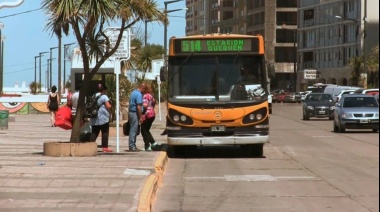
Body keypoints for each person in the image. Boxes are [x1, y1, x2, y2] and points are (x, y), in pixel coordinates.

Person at [89, 83, 113, 153]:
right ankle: (105, 147)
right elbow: (108, 106)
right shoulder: (104, 96)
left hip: (94, 117)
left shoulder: (93, 96)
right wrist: (111, 104)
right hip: (103, 118)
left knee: (94, 132)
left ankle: (90, 145)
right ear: (104, 90)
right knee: (105, 132)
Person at [128, 82, 148, 152]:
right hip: (134, 113)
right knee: (133, 130)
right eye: (145, 90)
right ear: (143, 88)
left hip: (131, 112)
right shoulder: (139, 94)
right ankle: (132, 146)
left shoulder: (133, 92)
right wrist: (140, 117)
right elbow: (138, 107)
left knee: (133, 129)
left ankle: (133, 145)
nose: (145, 92)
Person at [141, 85, 159, 151]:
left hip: (147, 114)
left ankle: (147, 146)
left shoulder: (146, 96)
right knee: (146, 130)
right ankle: (153, 142)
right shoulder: (151, 96)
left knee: (143, 130)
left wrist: (140, 105)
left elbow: (145, 105)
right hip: (152, 114)